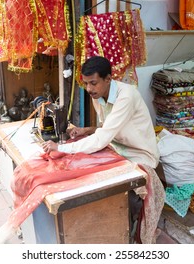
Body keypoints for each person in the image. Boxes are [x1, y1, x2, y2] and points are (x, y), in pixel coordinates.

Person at [41, 56, 165, 244]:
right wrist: (85, 130)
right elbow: (106, 127)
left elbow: (102, 138)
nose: (89, 89)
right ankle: (104, 222)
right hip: (117, 147)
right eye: (86, 83)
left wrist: (61, 147)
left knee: (111, 185)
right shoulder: (99, 96)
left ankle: (127, 229)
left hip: (139, 154)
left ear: (108, 79)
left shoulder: (127, 96)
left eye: (93, 83)